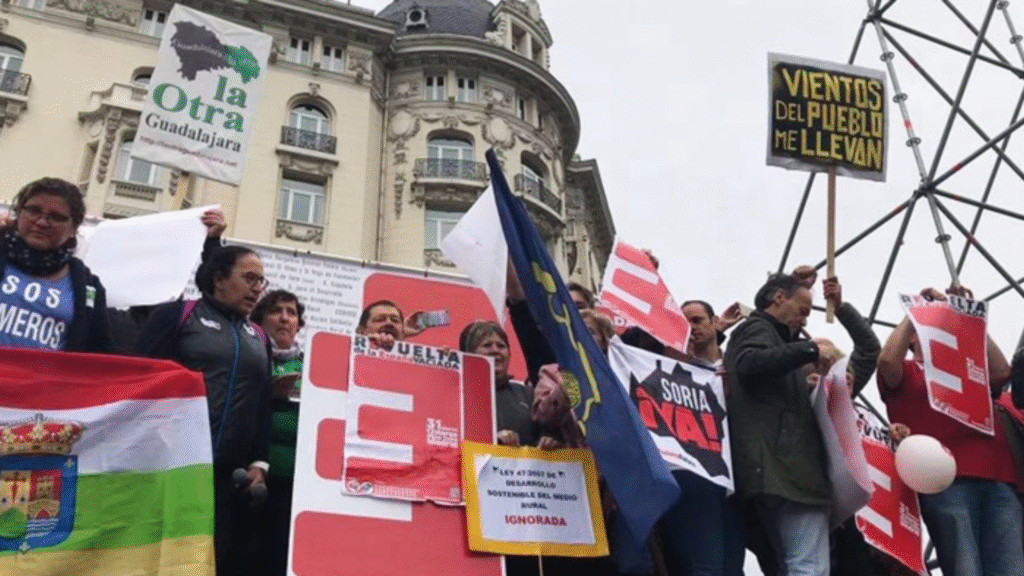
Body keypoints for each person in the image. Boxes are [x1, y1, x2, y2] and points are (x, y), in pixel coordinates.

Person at [135, 245, 273, 576]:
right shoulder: (178, 315)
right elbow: (138, 379)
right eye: (249, 278)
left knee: (204, 564)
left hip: (226, 480)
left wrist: (259, 462)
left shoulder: (259, 336)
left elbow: (262, 402)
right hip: (167, 469)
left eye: (261, 281)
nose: (257, 288)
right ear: (219, 279)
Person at [877, 285, 1021, 576]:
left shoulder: (970, 370)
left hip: (1000, 476)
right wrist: (915, 313)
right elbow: (886, 361)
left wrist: (965, 316)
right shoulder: (906, 372)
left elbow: (1003, 372)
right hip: (945, 479)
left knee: (1011, 569)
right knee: (964, 568)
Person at [724, 272, 829, 576]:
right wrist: (809, 350)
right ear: (779, 298)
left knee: (794, 563)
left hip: (776, 469)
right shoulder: (757, 328)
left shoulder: (775, 342)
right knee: (808, 565)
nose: (805, 320)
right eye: (804, 309)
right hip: (785, 470)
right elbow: (750, 364)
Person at [0, 177, 111, 352]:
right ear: (19, 212)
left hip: (44, 379)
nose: (42, 222)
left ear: (74, 227)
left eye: (56, 217)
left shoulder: (89, 286)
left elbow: (98, 352)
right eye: (33, 210)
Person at [250, 289, 305, 576]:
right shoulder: (249, 356)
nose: (285, 318)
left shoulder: (312, 365)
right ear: (260, 319)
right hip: (251, 479)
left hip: (295, 486)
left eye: (292, 312)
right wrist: (269, 394)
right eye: (276, 311)